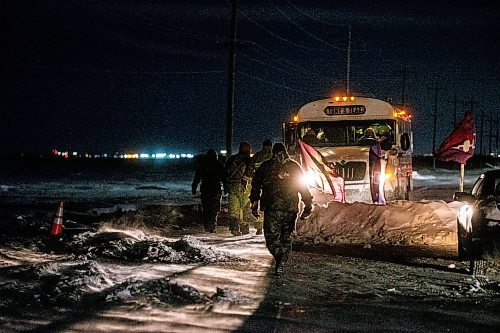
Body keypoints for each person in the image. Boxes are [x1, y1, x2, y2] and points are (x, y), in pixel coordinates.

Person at [250, 142, 313, 276]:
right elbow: (303, 186)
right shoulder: (294, 166)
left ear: (273, 152)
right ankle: (282, 259)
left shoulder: (265, 166)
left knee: (271, 237)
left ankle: (279, 257)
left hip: (272, 207)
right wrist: (308, 204)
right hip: (291, 209)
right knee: (286, 236)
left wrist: (254, 202)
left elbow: (255, 184)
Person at [224, 141, 253, 236]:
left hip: (232, 186)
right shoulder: (249, 160)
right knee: (245, 207)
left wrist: (225, 186)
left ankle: (234, 229)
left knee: (233, 210)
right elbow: (251, 173)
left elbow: (225, 173)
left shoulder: (231, 159)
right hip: (245, 187)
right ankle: (244, 229)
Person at [192, 149, 224, 233]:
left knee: (206, 208)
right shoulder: (219, 165)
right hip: (216, 189)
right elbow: (224, 178)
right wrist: (227, 188)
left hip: (206, 189)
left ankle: (207, 226)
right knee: (215, 209)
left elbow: (197, 177)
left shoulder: (203, 165)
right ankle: (212, 226)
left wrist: (194, 188)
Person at [247, 139, 273, 235]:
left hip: (258, 183)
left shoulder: (257, 156)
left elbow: (249, 170)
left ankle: (259, 228)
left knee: (258, 205)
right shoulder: (273, 156)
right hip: (271, 186)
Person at [358, 128, 386, 204]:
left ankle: (375, 198)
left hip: (362, 166)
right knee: (376, 182)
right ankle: (376, 198)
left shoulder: (360, 142)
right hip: (375, 165)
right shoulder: (376, 143)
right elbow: (379, 154)